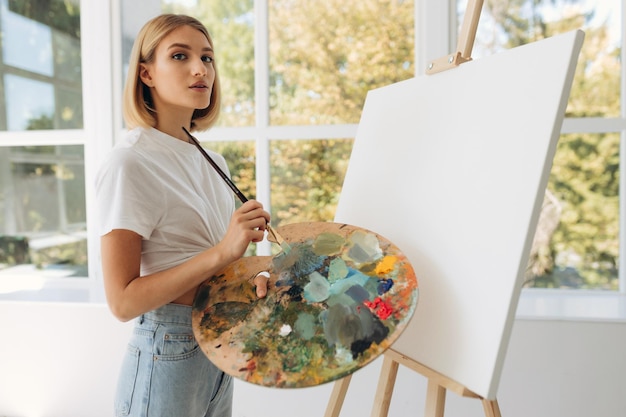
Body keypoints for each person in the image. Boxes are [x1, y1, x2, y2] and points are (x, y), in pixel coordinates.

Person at [95, 14, 270, 417]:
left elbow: (213, 260)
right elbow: (122, 302)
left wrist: (252, 276)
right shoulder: (130, 162)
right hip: (168, 348)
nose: (200, 69)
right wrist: (225, 251)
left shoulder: (213, 160)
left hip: (217, 344)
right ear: (146, 74)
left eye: (207, 58)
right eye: (180, 55)